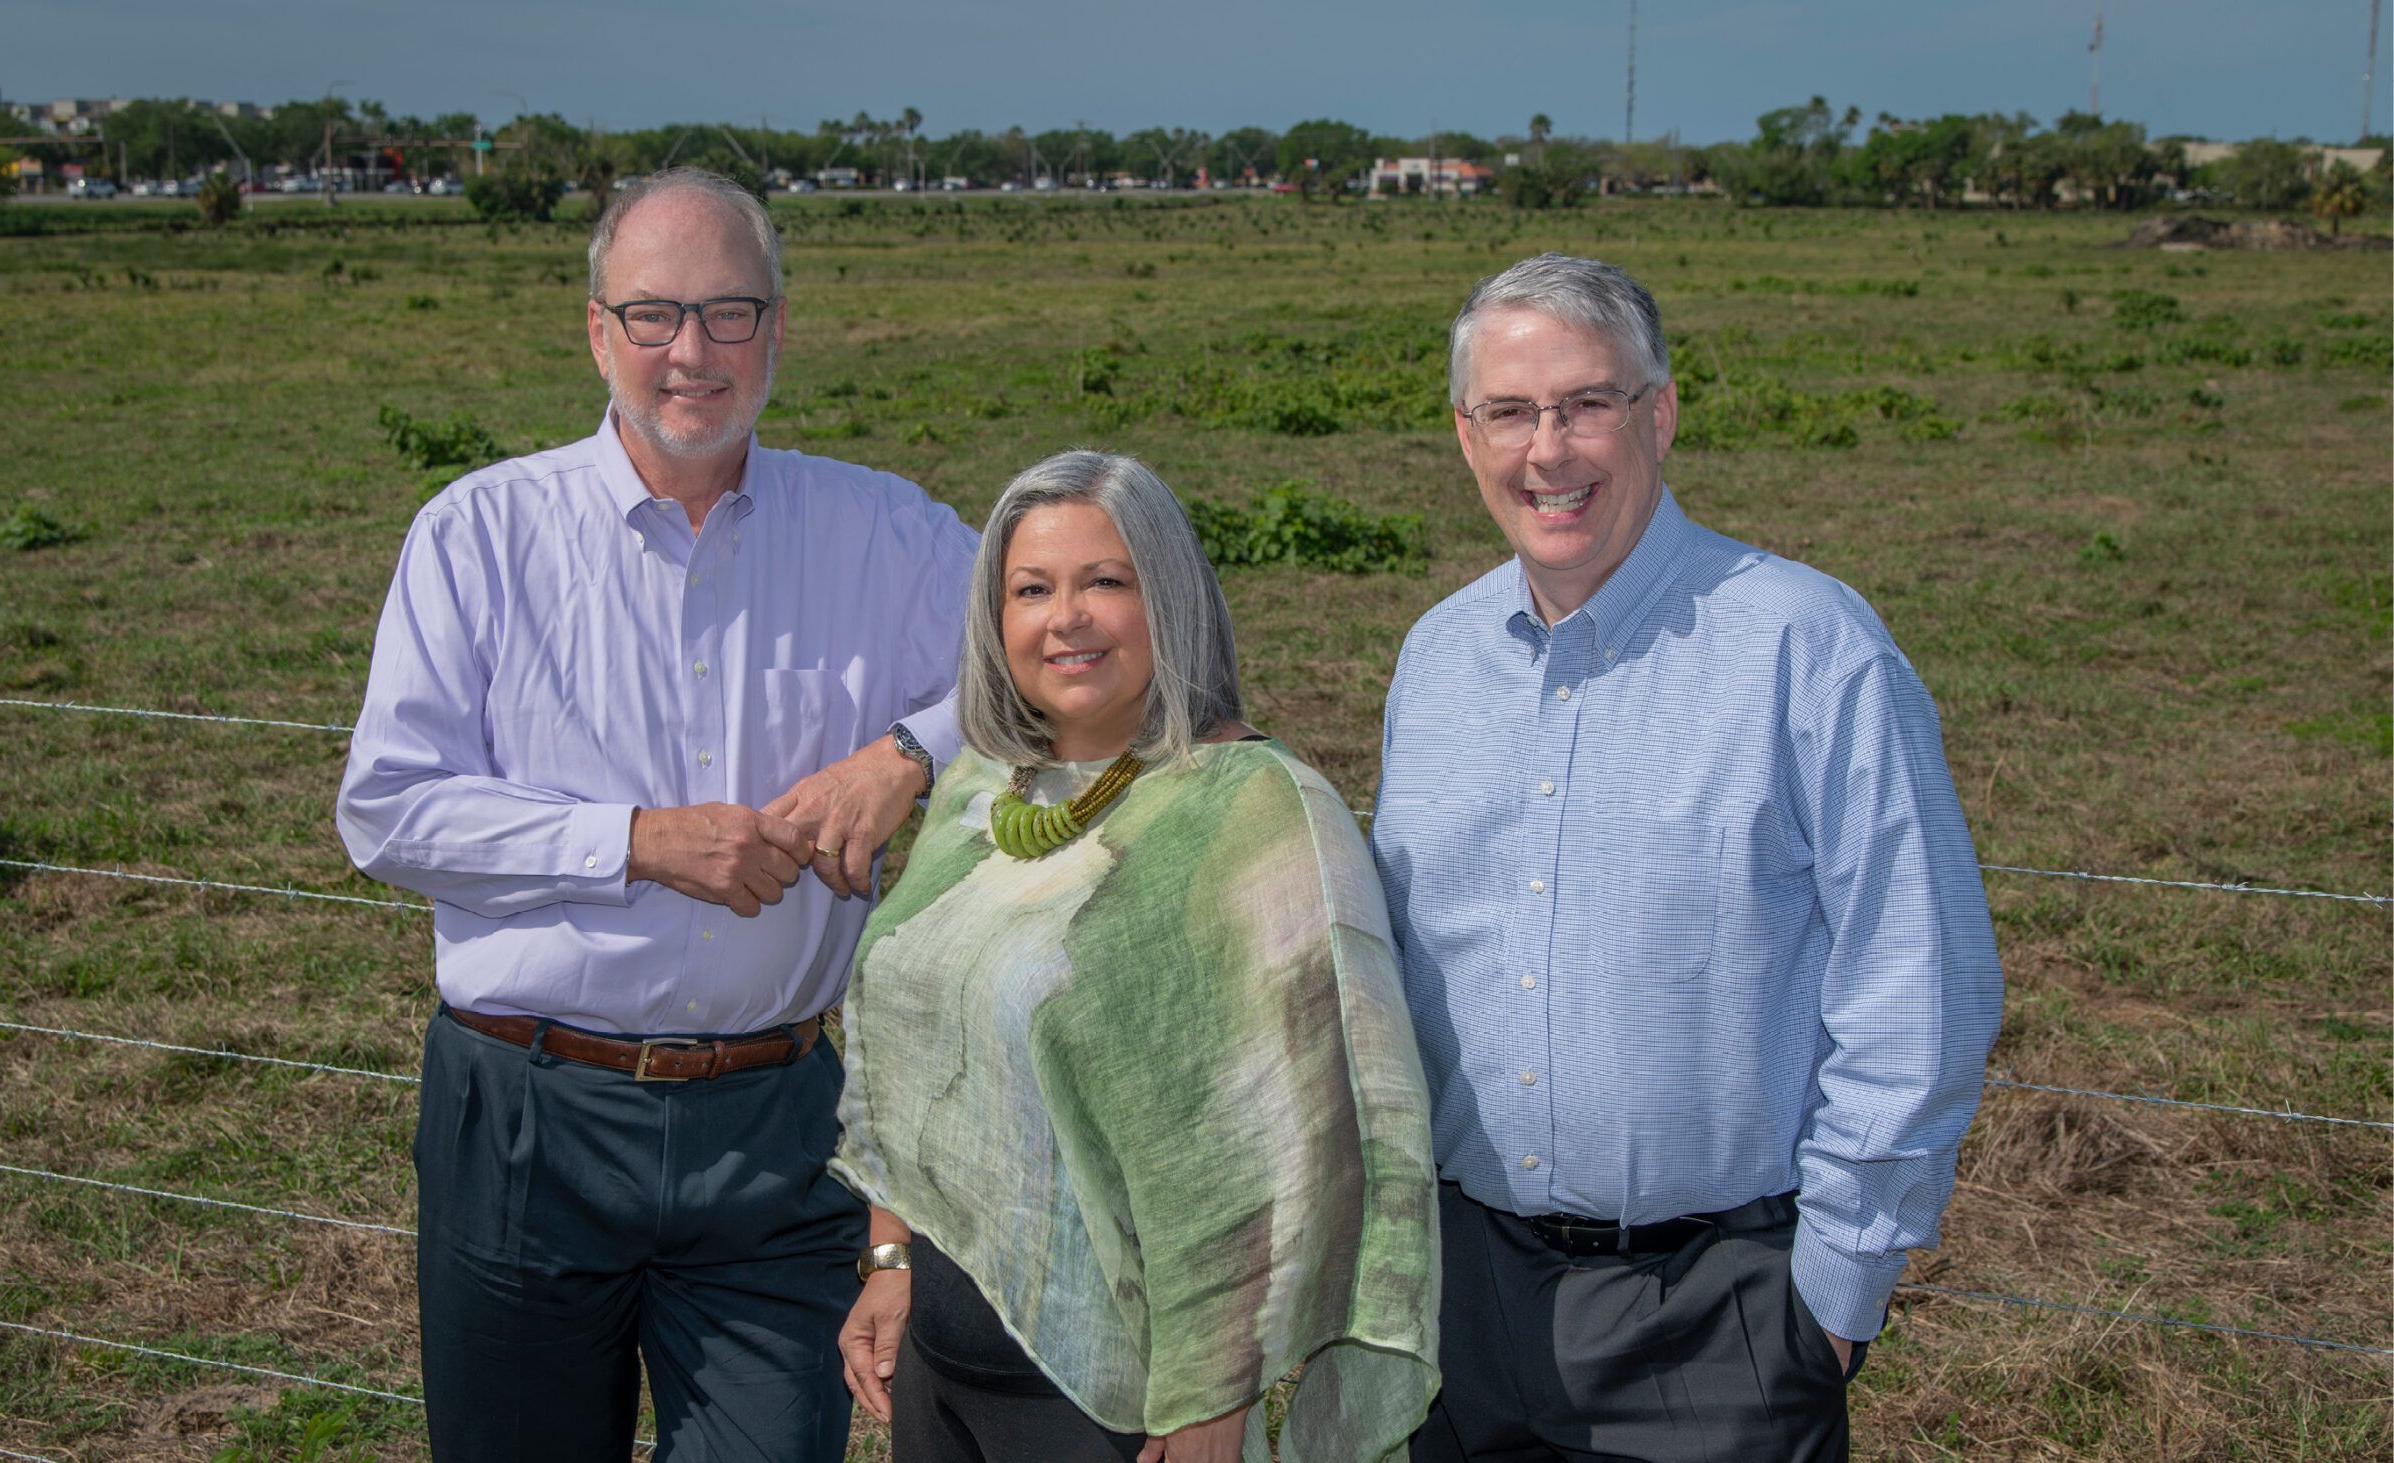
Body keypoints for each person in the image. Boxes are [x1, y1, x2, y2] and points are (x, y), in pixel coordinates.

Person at [335, 166, 976, 1462]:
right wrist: (636, 840)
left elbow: (1048, 654)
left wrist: (906, 755)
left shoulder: (882, 532)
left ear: (779, 328)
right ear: (596, 331)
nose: (692, 352)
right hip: (526, 1110)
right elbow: (390, 810)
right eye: (654, 314)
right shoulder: (479, 534)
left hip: (776, 1122)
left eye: (730, 312)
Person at [1370, 253, 2004, 1462]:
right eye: (1509, 411)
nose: (1546, 449)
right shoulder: (1435, 660)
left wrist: (1828, 1295)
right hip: (1466, 1303)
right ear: (1465, 436)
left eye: (1585, 403)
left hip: (1722, 1313)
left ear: (1658, 413)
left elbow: (1920, 982)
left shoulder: (1808, 647)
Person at [830, 451, 1442, 1463]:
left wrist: (1212, 1397)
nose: (1064, 616)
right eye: (1032, 588)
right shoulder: (986, 789)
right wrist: (892, 1253)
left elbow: (1314, 1134)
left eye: (1104, 581)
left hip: (1118, 1406)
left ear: (1170, 598)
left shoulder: (1254, 807)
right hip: (941, 1373)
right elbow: (911, 1037)